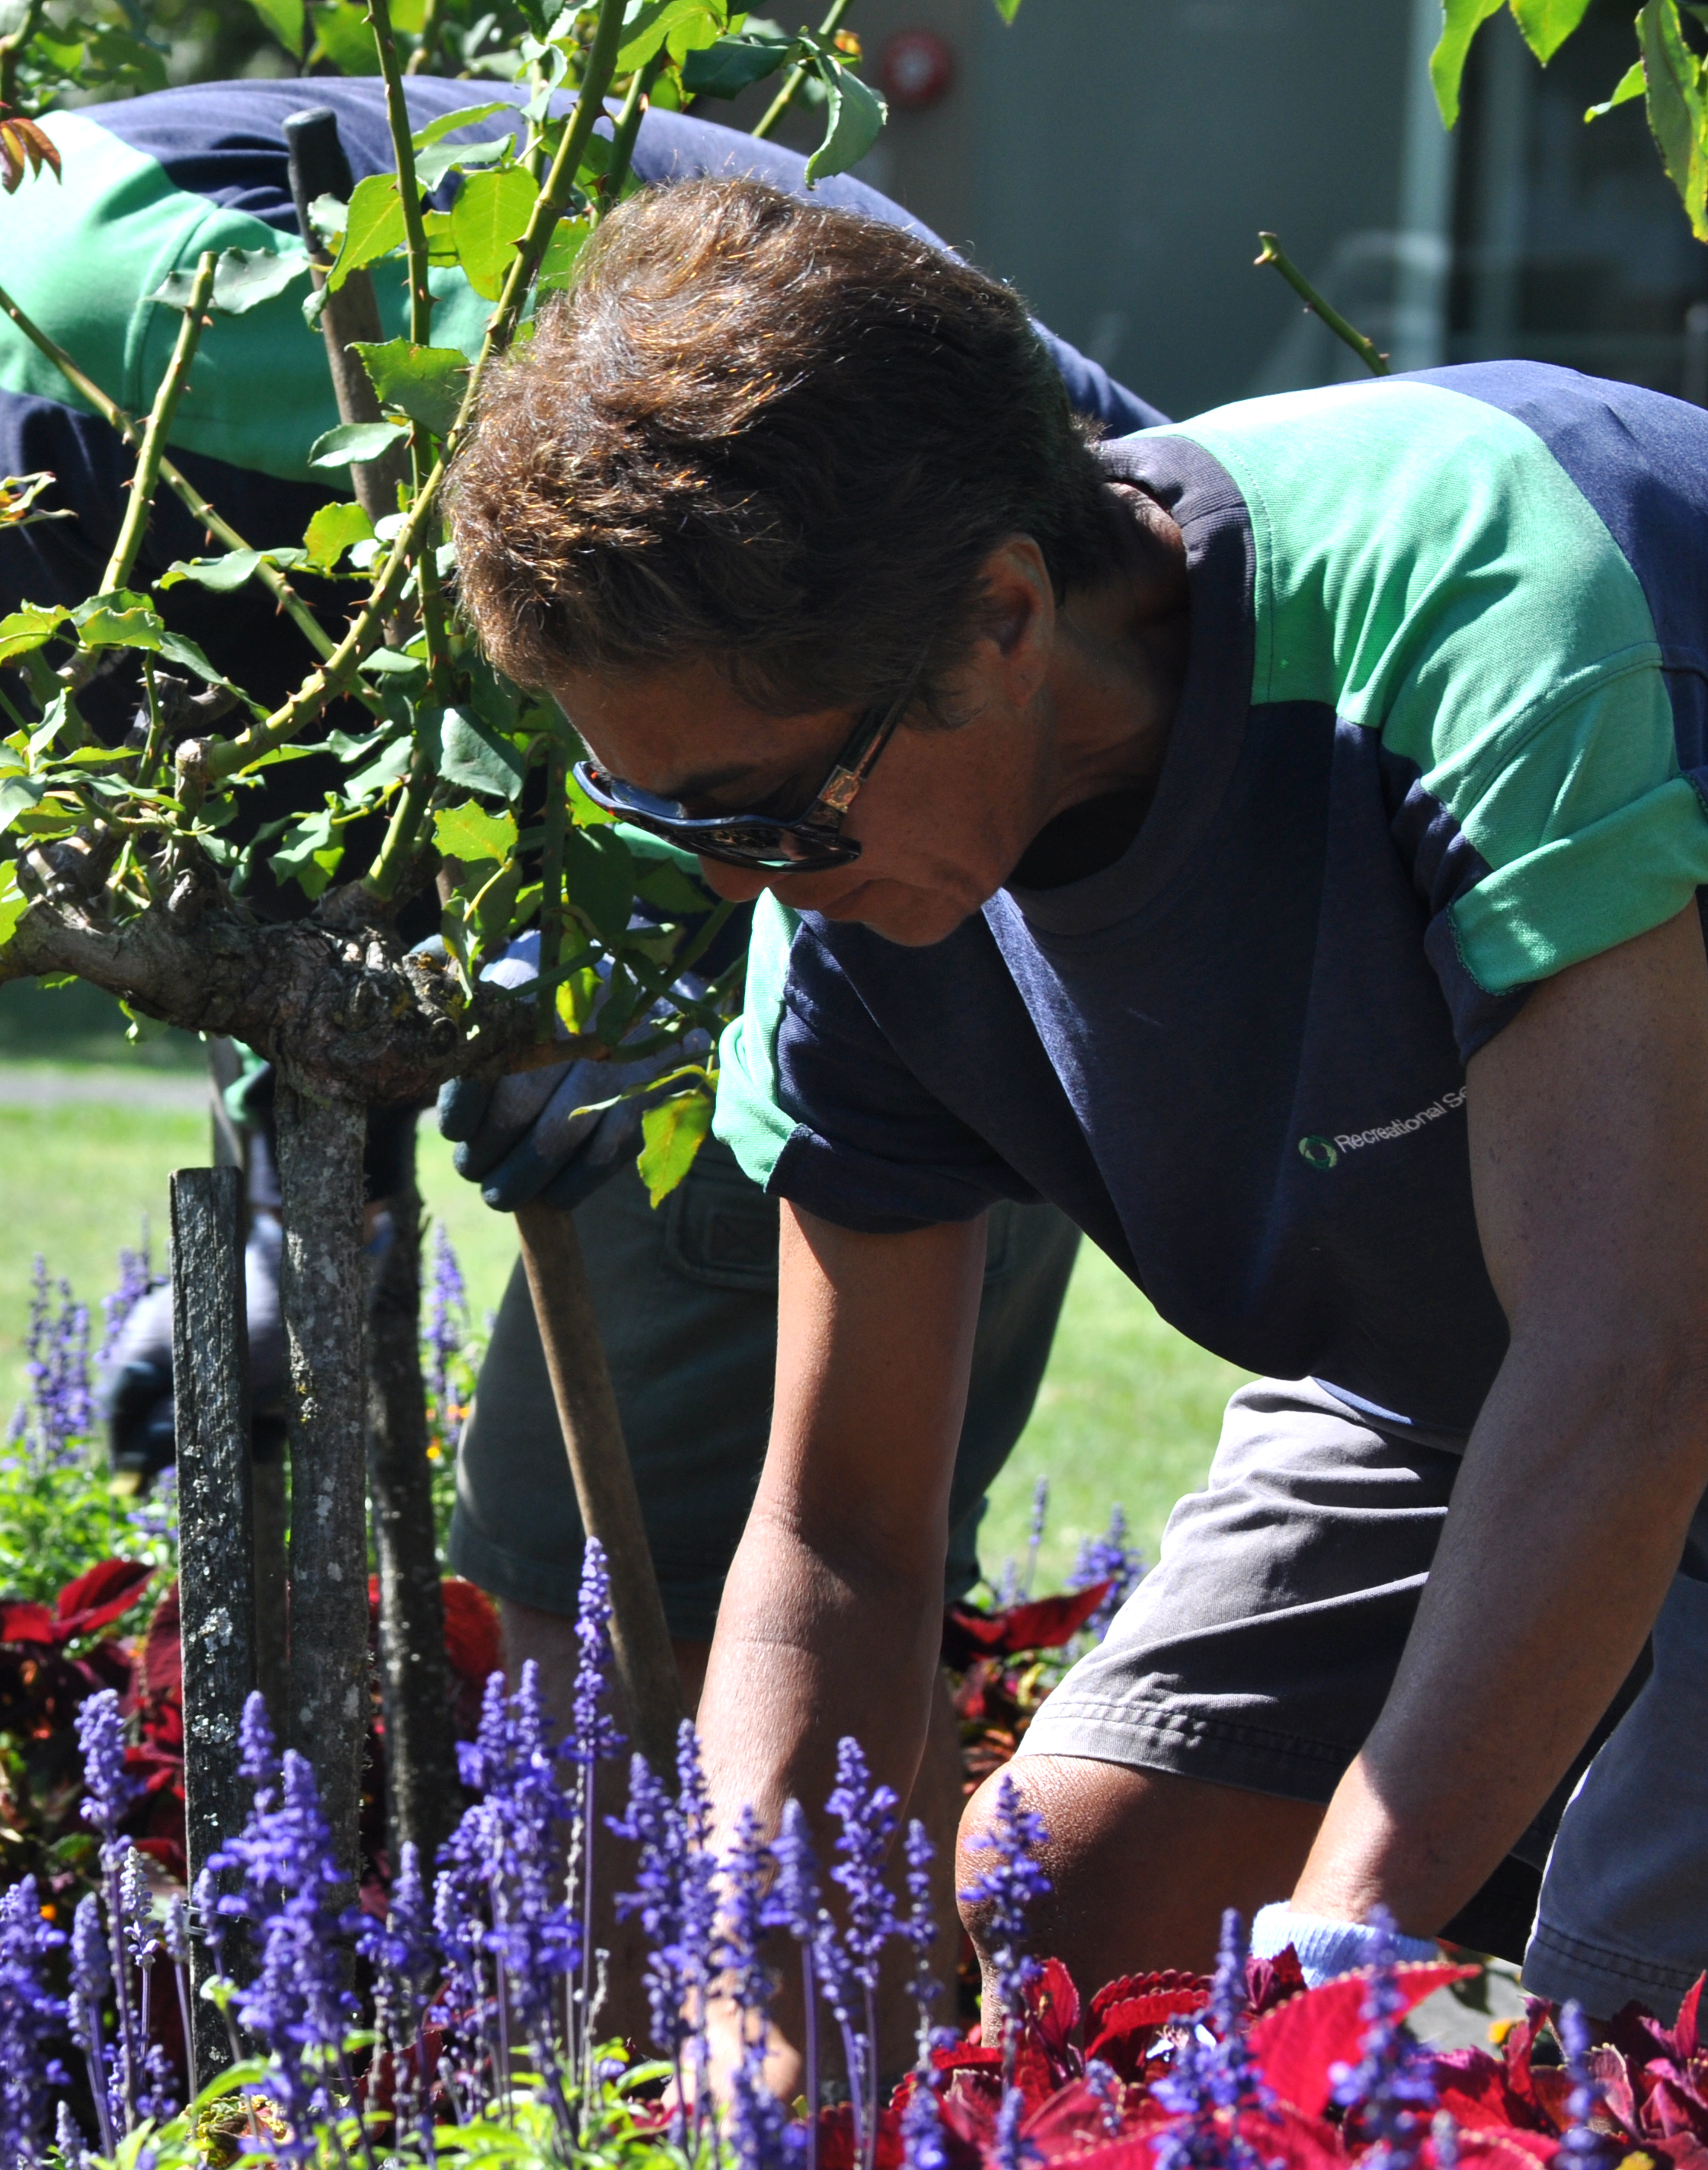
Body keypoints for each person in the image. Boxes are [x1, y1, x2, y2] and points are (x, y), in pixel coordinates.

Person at [0, 7, 1145, 1853]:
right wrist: (293, 1187)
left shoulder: (96, 308)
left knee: (598, 1617)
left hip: (942, 775)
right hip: (803, 863)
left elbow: (648, 535)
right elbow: (269, 808)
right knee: (649, 1633)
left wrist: (598, 956)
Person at [449, 174, 1708, 2015]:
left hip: (1632, 1329)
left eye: (762, 808)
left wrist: (1346, 1951)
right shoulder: (857, 877)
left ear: (1002, 614)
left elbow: (1631, 1357)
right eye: (674, 820)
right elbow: (840, 1534)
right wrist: (764, 2006)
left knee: (1609, 2034)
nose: (735, 882)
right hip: (1475, 1372)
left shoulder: (1492, 606)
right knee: (1069, 1917)